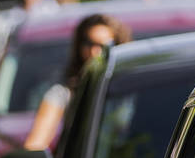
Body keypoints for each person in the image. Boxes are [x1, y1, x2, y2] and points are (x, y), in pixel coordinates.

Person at [23, 13, 131, 150]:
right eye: (88, 43)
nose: (94, 52)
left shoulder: (134, 92)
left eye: (103, 46)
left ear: (118, 47)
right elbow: (35, 145)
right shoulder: (63, 94)